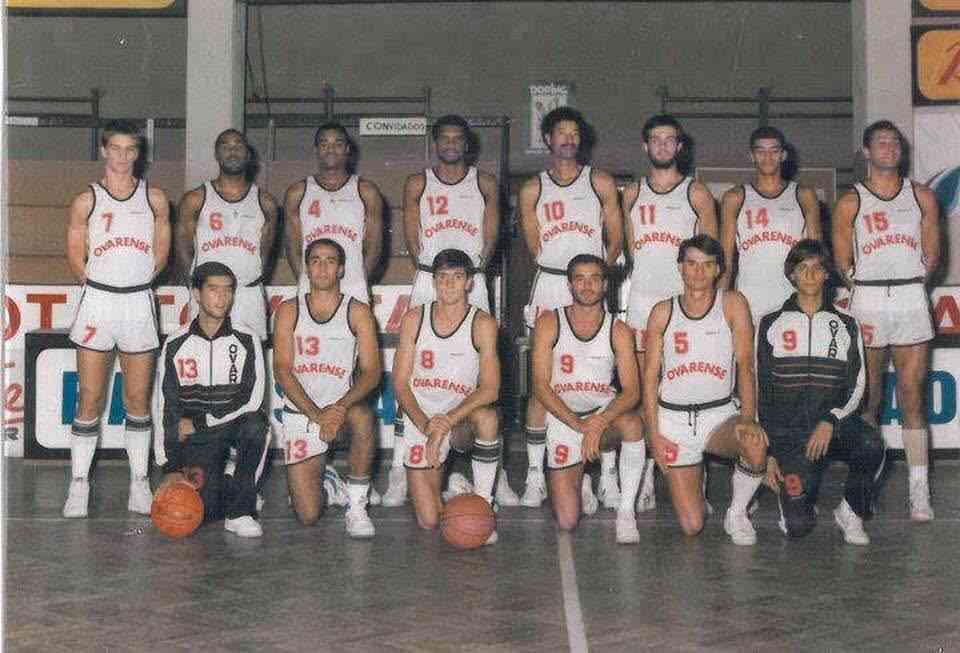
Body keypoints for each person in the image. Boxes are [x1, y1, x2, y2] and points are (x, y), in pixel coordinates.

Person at [386, 115, 518, 508]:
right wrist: (434, 272)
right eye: (443, 138)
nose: (450, 144)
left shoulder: (484, 183)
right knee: (414, 374)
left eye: (457, 138)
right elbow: (412, 238)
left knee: (481, 376)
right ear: (435, 144)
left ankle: (492, 475)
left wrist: (471, 275)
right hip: (432, 275)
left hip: (469, 277)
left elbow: (491, 236)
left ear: (467, 144)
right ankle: (399, 469)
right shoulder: (418, 182)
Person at [832, 120, 940, 521]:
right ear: (866, 151)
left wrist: (908, 283)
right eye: (881, 142)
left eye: (894, 142)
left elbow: (933, 254)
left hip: (910, 295)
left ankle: (919, 490)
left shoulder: (921, 195)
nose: (889, 148)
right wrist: (869, 288)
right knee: (869, 400)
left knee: (912, 395)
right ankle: (864, 488)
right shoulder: (851, 200)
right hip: (869, 299)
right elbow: (842, 260)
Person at [63, 120, 171, 518]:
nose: (123, 157)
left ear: (138, 154)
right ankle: (79, 483)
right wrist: (104, 287)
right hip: (99, 302)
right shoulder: (86, 200)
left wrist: (132, 284)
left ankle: (139, 483)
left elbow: (161, 256)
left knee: (137, 399)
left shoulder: (154, 198)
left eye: (131, 149)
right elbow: (76, 257)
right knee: (90, 397)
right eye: (117, 148)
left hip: (137, 303)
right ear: (104, 151)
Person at [518, 106, 624, 511]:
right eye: (560, 132)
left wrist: (596, 275)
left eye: (574, 132)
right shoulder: (533, 188)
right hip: (551, 282)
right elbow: (534, 246)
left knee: (599, 377)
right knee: (543, 381)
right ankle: (535, 475)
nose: (568, 138)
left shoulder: (600, 181)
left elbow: (616, 237)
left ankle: (606, 476)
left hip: (591, 284)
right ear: (548, 139)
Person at [642, 235, 768, 545]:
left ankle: (737, 513)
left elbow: (745, 366)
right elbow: (649, 378)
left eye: (707, 265)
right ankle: (695, 478)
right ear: (680, 267)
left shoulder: (732, 304)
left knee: (754, 444)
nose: (698, 272)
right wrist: (654, 435)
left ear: (718, 269)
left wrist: (748, 419)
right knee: (691, 525)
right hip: (673, 421)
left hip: (718, 415)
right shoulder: (662, 311)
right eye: (692, 264)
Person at [758, 240, 884, 545]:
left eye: (817, 268)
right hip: (790, 435)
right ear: (791, 275)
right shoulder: (771, 322)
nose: (810, 275)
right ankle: (798, 501)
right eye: (802, 268)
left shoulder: (846, 323)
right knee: (798, 527)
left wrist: (831, 419)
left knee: (870, 443)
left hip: (832, 426)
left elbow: (858, 385)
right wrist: (769, 452)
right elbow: (762, 389)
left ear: (827, 274)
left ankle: (850, 511)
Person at [622, 113, 718, 513]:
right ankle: (646, 475)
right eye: (655, 139)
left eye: (669, 139)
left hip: (686, 304)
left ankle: (699, 482)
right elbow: (629, 252)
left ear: (680, 146)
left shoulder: (696, 193)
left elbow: (712, 255)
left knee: (692, 388)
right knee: (644, 391)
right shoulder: (631, 193)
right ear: (645, 146)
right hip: (643, 303)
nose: (662, 146)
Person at [530, 254, 645, 542]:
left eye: (594, 279)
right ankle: (580, 479)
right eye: (580, 279)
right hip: (564, 418)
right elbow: (540, 386)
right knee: (567, 521)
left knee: (633, 424)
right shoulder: (549, 322)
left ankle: (626, 513)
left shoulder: (618, 330)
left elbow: (632, 391)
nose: (587, 285)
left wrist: (599, 421)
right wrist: (579, 425)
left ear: (605, 285)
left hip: (601, 417)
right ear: (569, 285)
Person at [272, 238, 382, 538]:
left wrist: (339, 408)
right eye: (316, 260)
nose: (322, 267)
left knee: (363, 417)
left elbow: (371, 372)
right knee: (308, 515)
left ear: (342, 269)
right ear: (306, 268)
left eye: (330, 261)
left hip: (341, 413)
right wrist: (316, 414)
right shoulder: (288, 310)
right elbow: (282, 370)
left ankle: (357, 507)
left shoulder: (357, 311)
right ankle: (331, 483)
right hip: (302, 413)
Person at [392, 249, 502, 543]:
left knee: (487, 418)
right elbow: (400, 383)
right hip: (422, 417)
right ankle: (455, 487)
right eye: (442, 277)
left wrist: (446, 422)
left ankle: (483, 503)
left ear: (469, 283)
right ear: (433, 282)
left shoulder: (482, 324)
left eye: (457, 277)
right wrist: (427, 425)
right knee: (430, 521)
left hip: (460, 418)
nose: (449, 284)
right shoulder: (415, 318)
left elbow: (490, 388)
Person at [153, 262, 269, 537]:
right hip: (198, 439)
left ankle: (241, 511)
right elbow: (165, 406)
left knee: (257, 425)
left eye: (228, 290)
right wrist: (169, 466)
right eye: (214, 289)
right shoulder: (176, 343)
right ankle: (230, 476)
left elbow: (251, 400)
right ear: (196, 293)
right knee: (202, 511)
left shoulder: (247, 338)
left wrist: (201, 422)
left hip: (227, 428)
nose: (222, 297)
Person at [175, 128, 279, 341]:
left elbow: (265, 254)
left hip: (247, 294)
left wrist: (249, 277)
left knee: (251, 357)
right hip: (208, 295)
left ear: (248, 154)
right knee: (204, 355)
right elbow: (183, 249)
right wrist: (197, 286)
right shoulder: (195, 199)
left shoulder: (265, 202)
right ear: (216, 154)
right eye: (226, 146)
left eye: (238, 146)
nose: (232, 151)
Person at [719, 126, 821, 323]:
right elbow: (726, 261)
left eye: (774, 151)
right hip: (749, 300)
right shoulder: (735, 197)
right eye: (761, 151)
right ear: (751, 156)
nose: (768, 157)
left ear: (783, 155)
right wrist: (719, 303)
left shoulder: (804, 195)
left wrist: (818, 303)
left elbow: (817, 256)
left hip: (794, 298)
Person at [284, 122, 384, 303]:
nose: (331, 149)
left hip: (354, 286)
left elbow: (374, 245)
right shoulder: (298, 192)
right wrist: (307, 279)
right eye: (324, 144)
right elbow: (293, 246)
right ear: (316, 150)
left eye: (338, 144)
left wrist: (359, 280)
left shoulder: (366, 191)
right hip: (312, 287)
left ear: (347, 149)